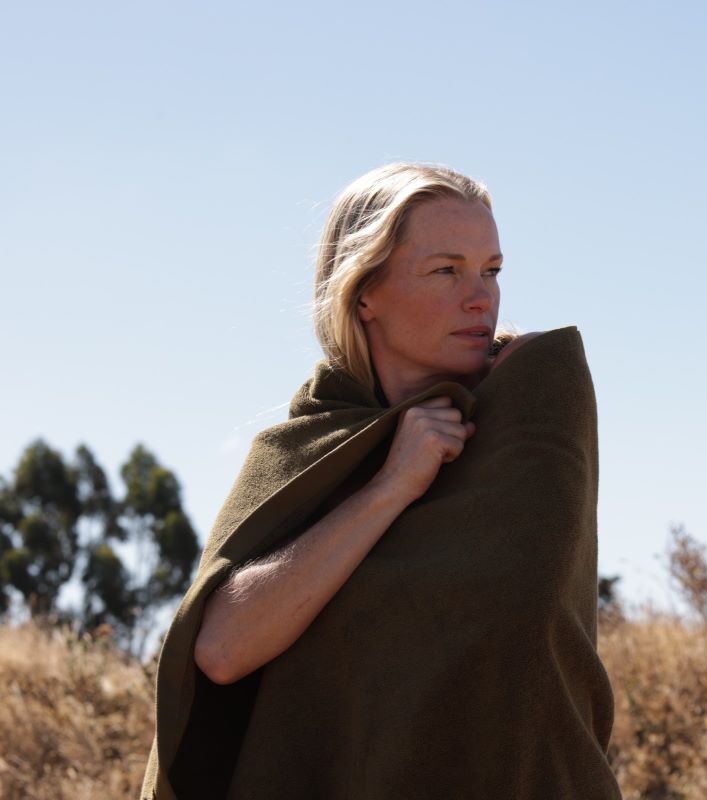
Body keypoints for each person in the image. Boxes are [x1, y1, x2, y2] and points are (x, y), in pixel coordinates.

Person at [141, 162, 623, 800]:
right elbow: (221, 650)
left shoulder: (532, 415)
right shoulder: (304, 448)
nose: (482, 297)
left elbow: (532, 644)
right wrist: (391, 485)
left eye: (492, 269)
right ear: (363, 291)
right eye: (446, 270)